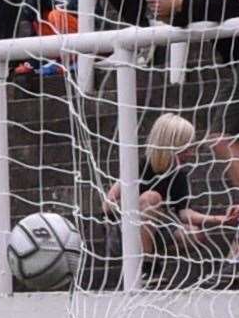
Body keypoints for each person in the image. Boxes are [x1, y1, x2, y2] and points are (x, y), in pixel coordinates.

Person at [102, 112, 239, 266]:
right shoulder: (138, 167)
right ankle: (145, 265)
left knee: (195, 234)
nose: (191, 154)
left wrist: (220, 220)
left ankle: (155, 256)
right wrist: (138, 208)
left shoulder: (178, 176)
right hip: (124, 235)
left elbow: (184, 213)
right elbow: (108, 204)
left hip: (157, 233)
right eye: (186, 149)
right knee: (152, 198)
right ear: (169, 146)